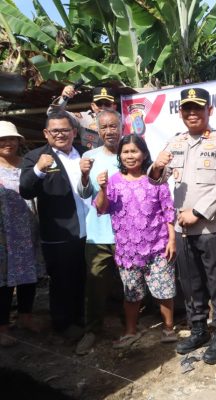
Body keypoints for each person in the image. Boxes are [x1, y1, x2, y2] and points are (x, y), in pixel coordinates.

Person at [149, 87, 216, 365]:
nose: (192, 113)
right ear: (180, 113)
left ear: (209, 110)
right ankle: (198, 330)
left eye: (198, 107)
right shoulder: (175, 142)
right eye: (187, 108)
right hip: (184, 230)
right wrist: (156, 166)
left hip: (214, 228)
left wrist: (198, 212)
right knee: (190, 283)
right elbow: (157, 180)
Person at [95, 134, 177, 349]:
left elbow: (168, 210)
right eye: (125, 152)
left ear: (144, 154)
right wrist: (102, 188)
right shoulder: (113, 181)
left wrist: (172, 240)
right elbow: (101, 208)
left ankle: (168, 328)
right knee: (132, 295)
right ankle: (131, 331)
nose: (130, 156)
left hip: (158, 247)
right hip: (128, 251)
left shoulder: (155, 179)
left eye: (134, 151)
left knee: (164, 291)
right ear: (120, 155)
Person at [20, 111, 90, 340]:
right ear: (46, 133)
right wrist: (38, 170)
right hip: (59, 233)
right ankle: (63, 324)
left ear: (74, 132)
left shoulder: (84, 153)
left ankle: (80, 317)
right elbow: (25, 190)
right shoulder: (36, 157)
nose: (60, 134)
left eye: (65, 130)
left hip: (88, 229)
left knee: (81, 277)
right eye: (55, 131)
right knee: (61, 281)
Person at [73, 109, 123, 355]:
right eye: (104, 127)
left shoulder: (132, 153)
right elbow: (84, 194)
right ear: (98, 130)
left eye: (113, 126)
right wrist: (84, 175)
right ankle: (92, 330)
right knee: (95, 284)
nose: (109, 131)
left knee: (129, 283)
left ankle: (130, 327)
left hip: (128, 233)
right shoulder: (89, 157)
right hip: (98, 234)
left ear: (121, 127)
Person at [0, 121, 45, 346]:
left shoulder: (27, 164)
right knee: (4, 280)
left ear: (19, 141)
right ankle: (2, 326)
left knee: (29, 274)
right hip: (2, 234)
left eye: (12, 139)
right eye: (2, 140)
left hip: (28, 229)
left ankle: (25, 316)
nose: (8, 143)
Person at [48, 86, 119, 149]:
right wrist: (64, 98)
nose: (103, 107)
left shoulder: (123, 120)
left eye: (107, 104)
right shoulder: (84, 118)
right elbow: (53, 113)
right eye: (99, 104)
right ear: (93, 106)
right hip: (90, 158)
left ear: (114, 106)